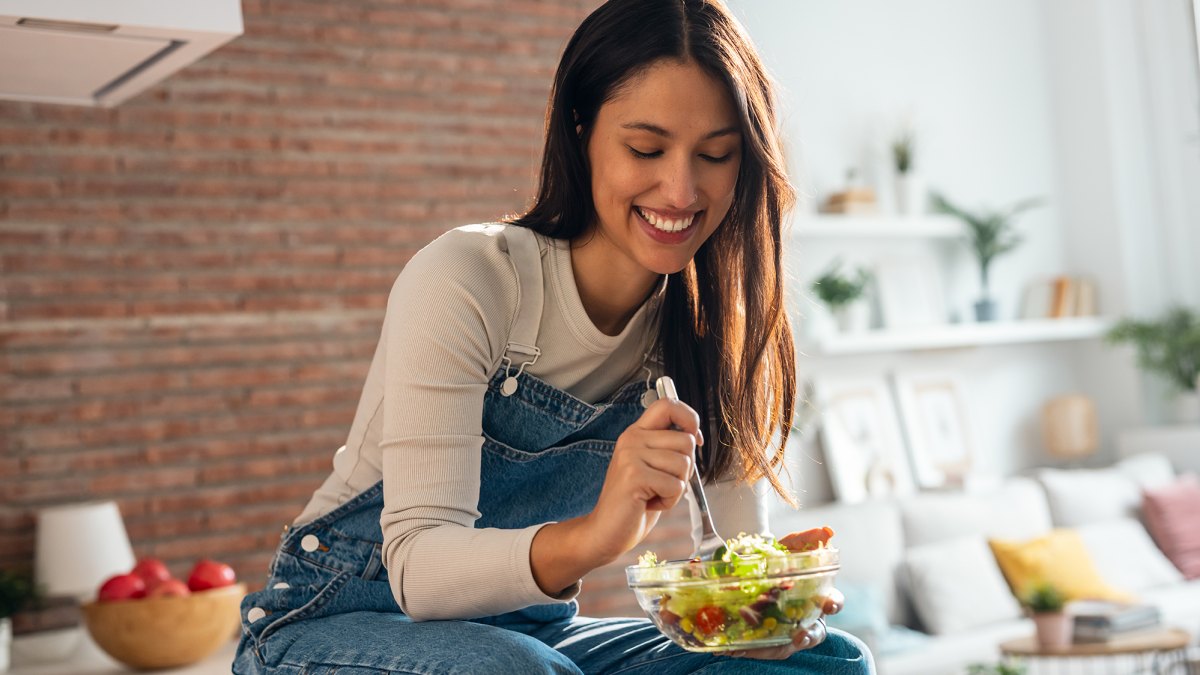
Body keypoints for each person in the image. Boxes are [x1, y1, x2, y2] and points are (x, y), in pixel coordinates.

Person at [233, 0, 874, 673]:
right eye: (646, 148)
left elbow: (736, 571)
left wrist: (769, 602)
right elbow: (418, 569)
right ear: (580, 129)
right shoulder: (472, 277)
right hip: (333, 622)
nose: (681, 189)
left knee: (826, 660)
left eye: (715, 154)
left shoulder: (707, 331)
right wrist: (596, 537)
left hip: (527, 638)